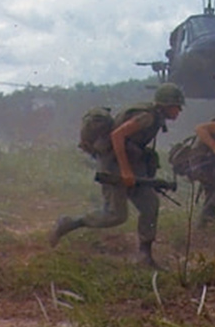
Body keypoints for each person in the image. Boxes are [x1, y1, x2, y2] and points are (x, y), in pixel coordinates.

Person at [48, 83, 184, 269]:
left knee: (150, 204)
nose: (179, 111)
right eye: (177, 106)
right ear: (167, 104)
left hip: (128, 164)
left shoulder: (153, 116)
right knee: (115, 216)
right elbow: (117, 136)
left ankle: (145, 255)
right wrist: (126, 170)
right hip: (114, 164)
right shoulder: (147, 117)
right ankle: (68, 223)